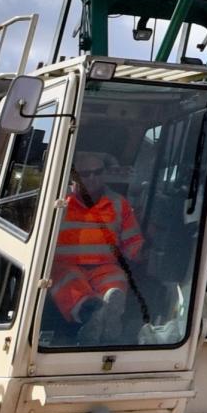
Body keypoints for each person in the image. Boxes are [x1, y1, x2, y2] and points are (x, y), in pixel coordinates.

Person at [46, 145, 148, 342]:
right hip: (66, 265)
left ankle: (109, 316)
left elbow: (132, 240)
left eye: (97, 172)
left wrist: (146, 254)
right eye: (86, 173)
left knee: (116, 281)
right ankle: (92, 315)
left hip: (105, 265)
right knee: (70, 284)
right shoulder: (59, 203)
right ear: (75, 176)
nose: (92, 178)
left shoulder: (119, 203)